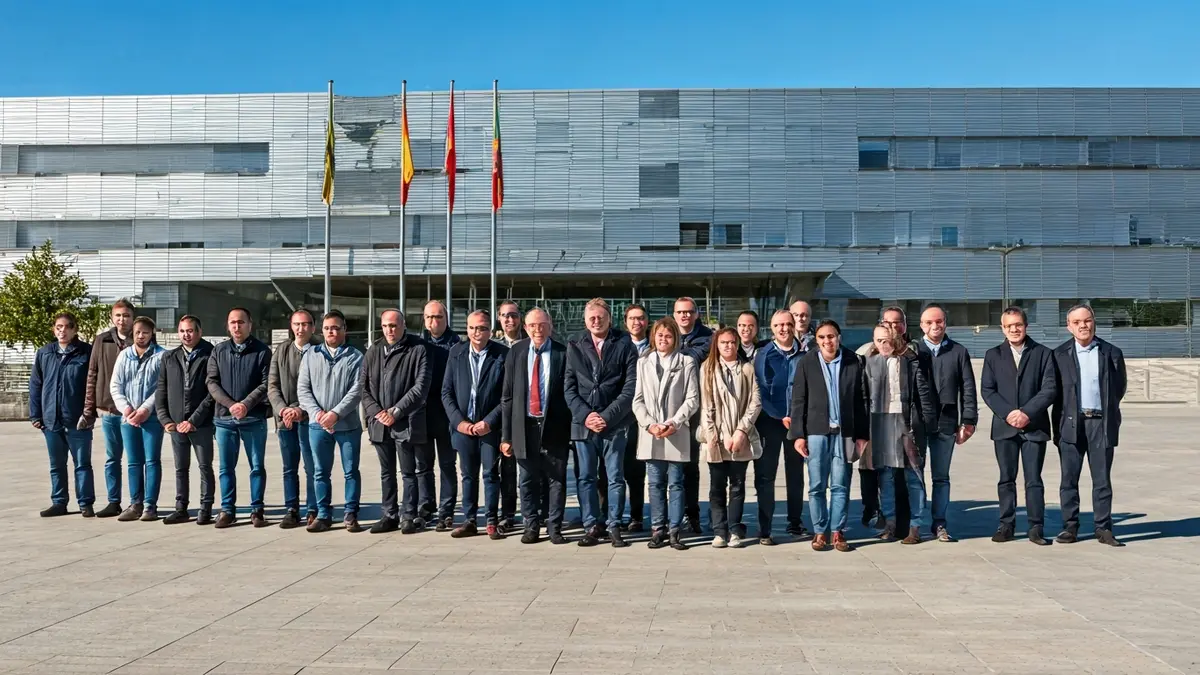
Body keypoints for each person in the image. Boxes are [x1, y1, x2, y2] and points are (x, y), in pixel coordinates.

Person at [790, 319, 869, 553]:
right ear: (817, 340)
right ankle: (819, 531)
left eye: (831, 336)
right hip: (816, 432)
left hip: (845, 432)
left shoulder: (853, 360)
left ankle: (837, 531)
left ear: (839, 337)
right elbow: (798, 400)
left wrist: (862, 434)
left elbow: (861, 399)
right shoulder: (807, 362)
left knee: (840, 484)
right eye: (823, 337)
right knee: (816, 486)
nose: (828, 341)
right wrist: (798, 435)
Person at [564, 298, 638, 548]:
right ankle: (591, 525)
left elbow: (630, 387)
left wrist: (606, 417)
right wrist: (587, 416)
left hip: (614, 424)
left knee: (616, 476)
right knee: (585, 477)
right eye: (591, 317)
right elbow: (569, 388)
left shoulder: (625, 343)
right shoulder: (574, 344)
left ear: (609, 318)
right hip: (582, 424)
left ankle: (614, 524)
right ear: (585, 320)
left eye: (601, 317)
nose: (596, 321)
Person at [980, 307, 1057, 545]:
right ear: (1002, 328)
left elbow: (1050, 389)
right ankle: (1006, 525)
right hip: (1004, 427)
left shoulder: (1043, 353)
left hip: (1034, 427)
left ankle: (1036, 527)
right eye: (1009, 325)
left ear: (1026, 325)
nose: (1014, 329)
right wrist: (1009, 414)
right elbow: (988, 390)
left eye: (1018, 324)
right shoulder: (993, 355)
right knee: (1006, 478)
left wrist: (1026, 413)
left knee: (1034, 479)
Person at [1052, 304, 1127, 547]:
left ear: (1094, 322)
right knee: (1069, 480)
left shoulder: (1111, 352)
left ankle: (1103, 528)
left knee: (1102, 480)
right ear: (1069, 326)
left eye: (1087, 320)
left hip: (1101, 424)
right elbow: (1055, 394)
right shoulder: (1059, 354)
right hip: (1072, 424)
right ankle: (1070, 527)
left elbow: (1119, 388)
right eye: (1077, 322)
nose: (1083, 325)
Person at [500, 308, 571, 545]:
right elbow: (507, 396)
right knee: (527, 479)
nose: (537, 330)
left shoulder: (563, 352)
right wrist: (506, 436)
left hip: (554, 426)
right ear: (526, 327)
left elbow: (569, 393)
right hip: (524, 425)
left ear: (550, 326)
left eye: (541, 325)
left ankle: (554, 527)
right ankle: (531, 526)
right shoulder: (517, 352)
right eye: (532, 325)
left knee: (556, 480)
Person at [863, 323, 937, 544]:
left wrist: (926, 424)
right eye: (879, 340)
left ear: (896, 339)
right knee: (885, 477)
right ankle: (890, 523)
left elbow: (924, 395)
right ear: (873, 342)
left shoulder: (910, 363)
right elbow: (863, 397)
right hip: (879, 423)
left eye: (887, 339)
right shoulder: (868, 364)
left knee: (913, 476)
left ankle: (915, 526)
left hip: (906, 423)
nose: (884, 344)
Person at [360, 309, 433, 534]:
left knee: (408, 472)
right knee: (386, 472)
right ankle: (389, 514)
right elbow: (363, 388)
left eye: (394, 325)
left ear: (403, 325)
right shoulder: (373, 351)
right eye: (385, 326)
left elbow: (420, 388)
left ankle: (409, 515)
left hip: (405, 423)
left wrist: (396, 411)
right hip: (380, 424)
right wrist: (378, 413)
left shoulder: (418, 349)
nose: (389, 330)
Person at [632, 317, 700, 551]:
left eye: (668, 336)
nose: (663, 339)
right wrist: (650, 424)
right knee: (655, 484)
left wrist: (674, 422)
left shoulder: (687, 362)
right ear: (654, 337)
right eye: (660, 335)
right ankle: (657, 530)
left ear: (675, 339)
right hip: (652, 432)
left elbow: (692, 399)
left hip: (675, 431)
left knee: (676, 483)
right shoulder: (643, 362)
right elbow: (637, 400)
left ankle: (675, 531)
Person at [442, 310, 508, 539]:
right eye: (471, 328)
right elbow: (446, 392)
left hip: (489, 428)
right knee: (468, 475)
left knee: (490, 473)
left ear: (490, 329)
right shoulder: (456, 352)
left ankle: (491, 520)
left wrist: (489, 422)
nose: (476, 333)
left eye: (481, 328)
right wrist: (459, 422)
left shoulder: (502, 355)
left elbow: (506, 397)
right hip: (463, 427)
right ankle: (469, 519)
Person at [297, 310, 364, 533]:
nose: (331, 332)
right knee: (319, 471)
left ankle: (350, 513)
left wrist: (335, 413)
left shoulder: (356, 357)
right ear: (321, 330)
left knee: (350, 470)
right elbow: (303, 390)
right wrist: (318, 414)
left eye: (336, 328)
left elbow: (357, 391)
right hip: (317, 426)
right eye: (327, 328)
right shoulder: (311, 355)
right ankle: (323, 514)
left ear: (344, 329)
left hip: (347, 426)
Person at [915, 303, 978, 542]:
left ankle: (939, 523)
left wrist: (969, 421)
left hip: (947, 423)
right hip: (919, 424)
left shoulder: (958, 351)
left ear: (945, 323)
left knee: (941, 477)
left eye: (939, 321)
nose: (934, 326)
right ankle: (915, 522)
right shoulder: (913, 350)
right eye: (929, 322)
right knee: (916, 475)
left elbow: (968, 389)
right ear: (921, 325)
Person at [206, 308, 272, 529]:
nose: (237, 326)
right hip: (224, 420)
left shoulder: (262, 351)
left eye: (241, 322)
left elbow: (266, 384)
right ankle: (227, 510)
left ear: (250, 325)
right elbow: (211, 382)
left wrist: (246, 404)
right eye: (233, 322)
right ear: (228, 325)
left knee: (256, 467)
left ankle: (257, 510)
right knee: (226, 468)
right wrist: (231, 405)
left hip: (253, 418)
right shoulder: (219, 351)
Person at [699, 327, 762, 548]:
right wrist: (719, 435)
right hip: (716, 438)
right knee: (716, 486)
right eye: (724, 342)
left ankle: (735, 529)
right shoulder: (707, 368)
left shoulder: (746, 369)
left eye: (732, 342)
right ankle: (719, 530)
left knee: (737, 486)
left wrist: (741, 431)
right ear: (717, 345)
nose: (728, 346)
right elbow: (707, 407)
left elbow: (755, 402)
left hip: (740, 437)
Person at [856, 306, 915, 532]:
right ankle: (876, 510)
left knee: (900, 472)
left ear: (904, 324)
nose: (893, 327)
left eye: (897, 322)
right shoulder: (866, 352)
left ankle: (901, 520)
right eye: (888, 323)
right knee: (872, 470)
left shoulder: (911, 353)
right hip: (874, 421)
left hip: (901, 422)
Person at [30, 312, 94, 517]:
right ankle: (59, 502)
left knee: (82, 464)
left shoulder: (86, 352)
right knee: (56, 464)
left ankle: (85, 503)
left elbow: (92, 385)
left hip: (78, 420)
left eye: (67, 327)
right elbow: (36, 384)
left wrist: (89, 412)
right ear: (54, 329)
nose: (62, 331)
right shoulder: (45, 353)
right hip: (51, 419)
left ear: (74, 329)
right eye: (58, 327)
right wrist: (36, 415)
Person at [752, 309, 807, 544]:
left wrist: (796, 417)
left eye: (787, 324)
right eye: (778, 325)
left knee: (796, 475)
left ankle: (795, 522)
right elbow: (760, 391)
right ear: (772, 329)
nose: (784, 329)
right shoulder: (763, 354)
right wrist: (780, 415)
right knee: (766, 475)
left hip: (797, 424)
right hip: (770, 422)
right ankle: (765, 528)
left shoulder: (805, 354)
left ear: (794, 325)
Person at [155, 315, 216, 525]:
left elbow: (212, 393)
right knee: (181, 468)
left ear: (199, 332)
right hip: (175, 424)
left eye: (190, 330)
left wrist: (194, 420)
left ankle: (205, 508)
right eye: (182, 331)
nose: (186, 335)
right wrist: (165, 419)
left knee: (204, 466)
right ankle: (181, 508)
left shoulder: (210, 354)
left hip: (201, 424)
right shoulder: (169, 357)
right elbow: (161, 389)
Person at [82, 299, 136, 518]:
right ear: (112, 318)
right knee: (112, 457)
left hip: (134, 410)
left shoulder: (141, 338)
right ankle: (114, 501)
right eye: (118, 316)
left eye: (126, 316)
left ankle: (137, 502)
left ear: (133, 318)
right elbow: (92, 374)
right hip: (109, 408)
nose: (122, 320)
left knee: (135, 459)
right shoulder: (102, 340)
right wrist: (89, 408)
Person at [110, 316, 166, 522]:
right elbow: (115, 385)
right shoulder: (124, 355)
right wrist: (126, 409)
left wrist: (144, 409)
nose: (141, 336)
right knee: (133, 462)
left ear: (152, 334)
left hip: (151, 418)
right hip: (129, 418)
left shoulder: (162, 356)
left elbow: (162, 387)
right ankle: (135, 503)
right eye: (137, 332)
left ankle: (150, 505)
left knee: (151, 461)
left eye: (145, 332)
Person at [268, 308, 320, 528]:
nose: (301, 329)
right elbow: (272, 385)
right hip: (285, 420)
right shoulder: (281, 351)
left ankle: (312, 508)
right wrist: (283, 410)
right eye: (297, 324)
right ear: (291, 326)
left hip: (310, 420)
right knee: (289, 467)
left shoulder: (319, 352)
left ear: (313, 327)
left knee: (312, 467)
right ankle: (291, 508)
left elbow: (320, 388)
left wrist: (300, 410)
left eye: (305, 324)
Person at [421, 300, 461, 531]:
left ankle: (446, 512)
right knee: (423, 466)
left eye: (438, 317)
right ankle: (426, 509)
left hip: (448, 415)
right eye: (429, 317)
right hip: (423, 415)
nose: (433, 321)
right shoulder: (417, 343)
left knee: (447, 465)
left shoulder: (457, 345)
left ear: (446, 318)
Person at [672, 297, 712, 533]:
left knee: (690, 464)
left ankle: (692, 514)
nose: (685, 316)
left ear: (696, 314)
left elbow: (691, 358)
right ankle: (670, 515)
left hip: (695, 409)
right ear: (674, 314)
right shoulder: (666, 333)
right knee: (667, 465)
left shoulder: (708, 337)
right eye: (680, 312)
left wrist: (672, 351)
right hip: (667, 409)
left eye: (689, 312)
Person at [613, 303, 651, 532]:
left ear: (647, 321)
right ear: (625, 322)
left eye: (641, 318)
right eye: (632, 319)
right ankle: (610, 515)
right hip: (620, 415)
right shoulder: (617, 345)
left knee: (637, 470)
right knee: (613, 469)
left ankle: (636, 516)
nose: (637, 322)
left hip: (645, 416)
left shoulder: (656, 346)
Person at [491, 299, 522, 528]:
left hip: (525, 414)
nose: (509, 319)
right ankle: (508, 513)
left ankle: (536, 510)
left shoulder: (530, 342)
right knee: (505, 468)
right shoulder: (493, 346)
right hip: (499, 415)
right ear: (499, 319)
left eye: (513, 315)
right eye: (505, 315)